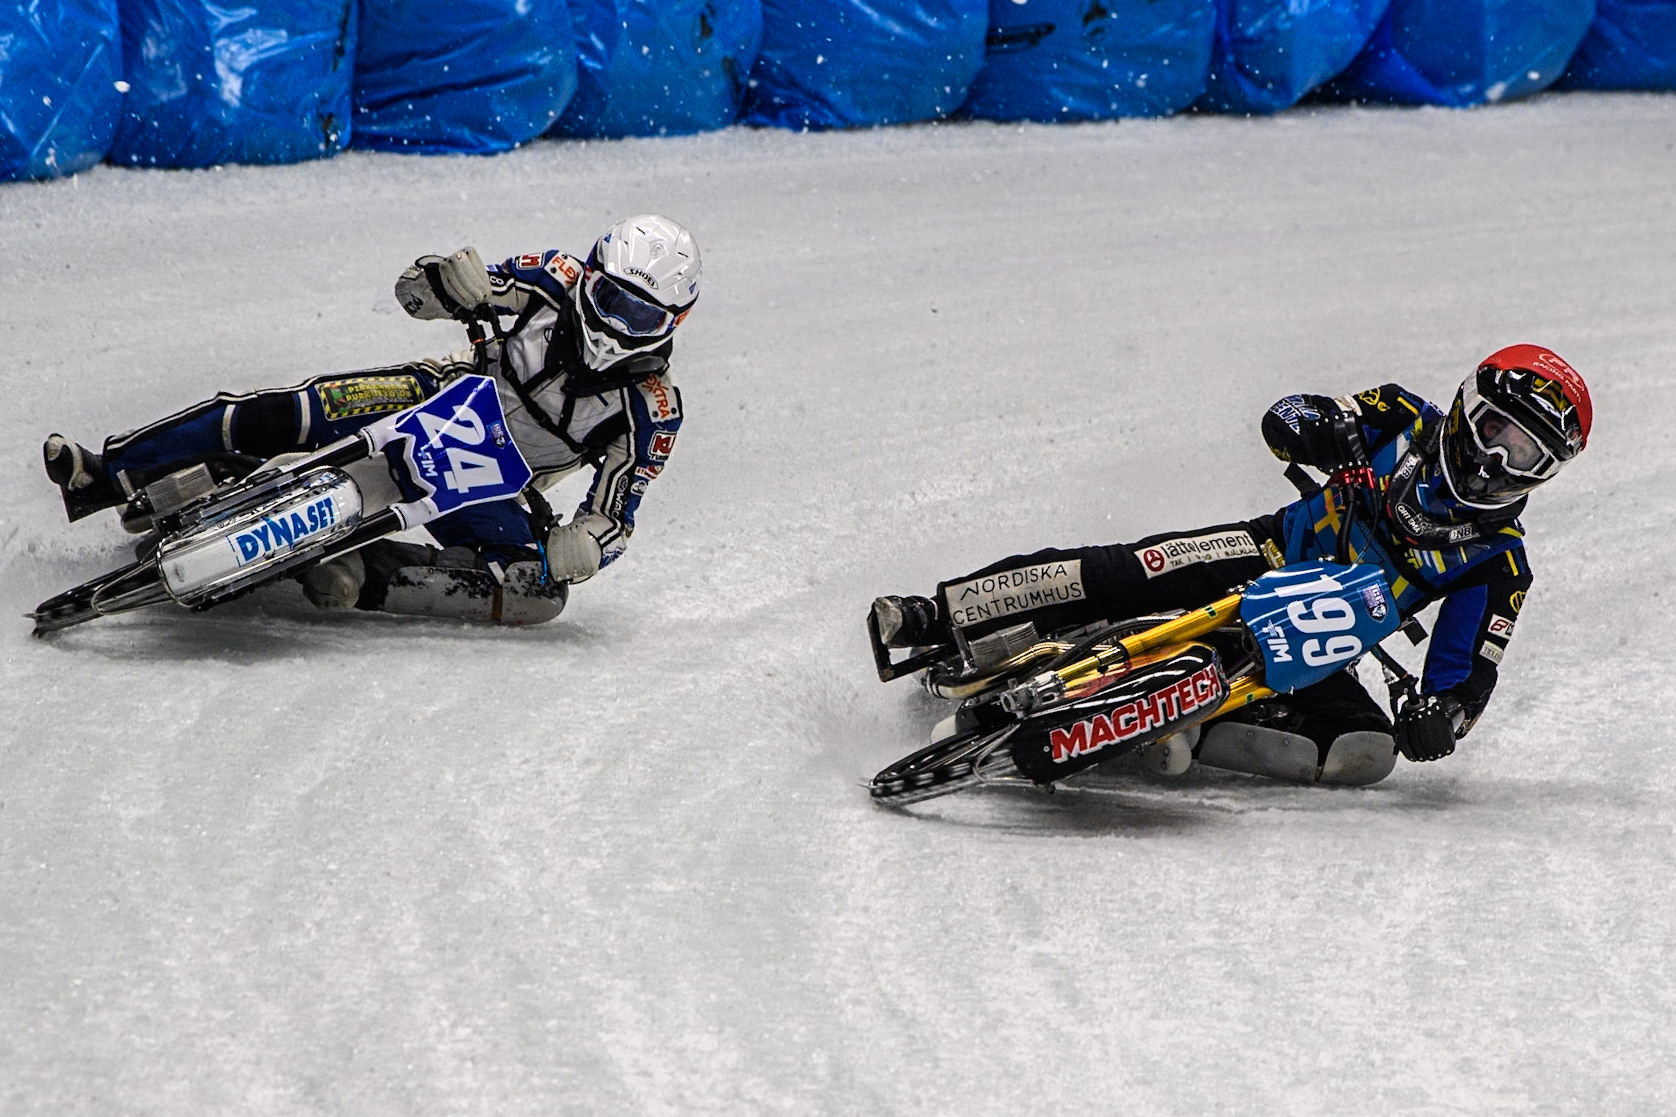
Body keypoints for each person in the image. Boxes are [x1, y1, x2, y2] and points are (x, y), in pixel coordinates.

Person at [871, 345, 1592, 785]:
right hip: (1264, 552)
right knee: (1126, 571)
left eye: (1526, 455)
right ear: (1468, 409)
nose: (1498, 461)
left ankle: (1181, 719)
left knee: (1365, 749)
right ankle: (941, 612)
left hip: (1322, 638)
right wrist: (1319, 431)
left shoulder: (1500, 563)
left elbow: (1464, 677)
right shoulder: (1403, 415)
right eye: (1497, 432)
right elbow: (1292, 414)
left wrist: (1440, 718)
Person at [41, 214, 701, 624]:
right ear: (589, 275)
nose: (614, 325)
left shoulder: (651, 409)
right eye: (608, 297)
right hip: (437, 395)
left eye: (639, 316)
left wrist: (586, 545)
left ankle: (364, 571)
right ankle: (107, 472)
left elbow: (616, 514)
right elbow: (413, 292)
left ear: (672, 324)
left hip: (494, 481)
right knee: (288, 410)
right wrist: (445, 282)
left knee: (538, 594)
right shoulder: (551, 278)